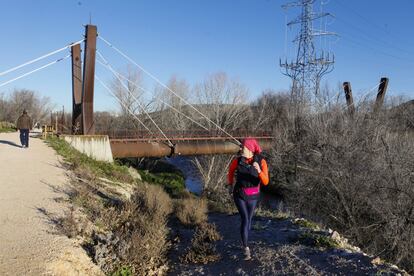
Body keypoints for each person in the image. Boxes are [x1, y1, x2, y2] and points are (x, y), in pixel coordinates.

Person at [227, 138, 269, 260]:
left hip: (253, 196)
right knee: (245, 219)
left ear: (250, 150)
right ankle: (246, 248)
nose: (241, 149)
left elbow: (266, 182)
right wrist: (230, 185)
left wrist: (259, 171)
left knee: (249, 220)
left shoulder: (262, 162)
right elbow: (230, 172)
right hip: (239, 194)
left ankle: (244, 236)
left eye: (243, 148)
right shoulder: (238, 161)